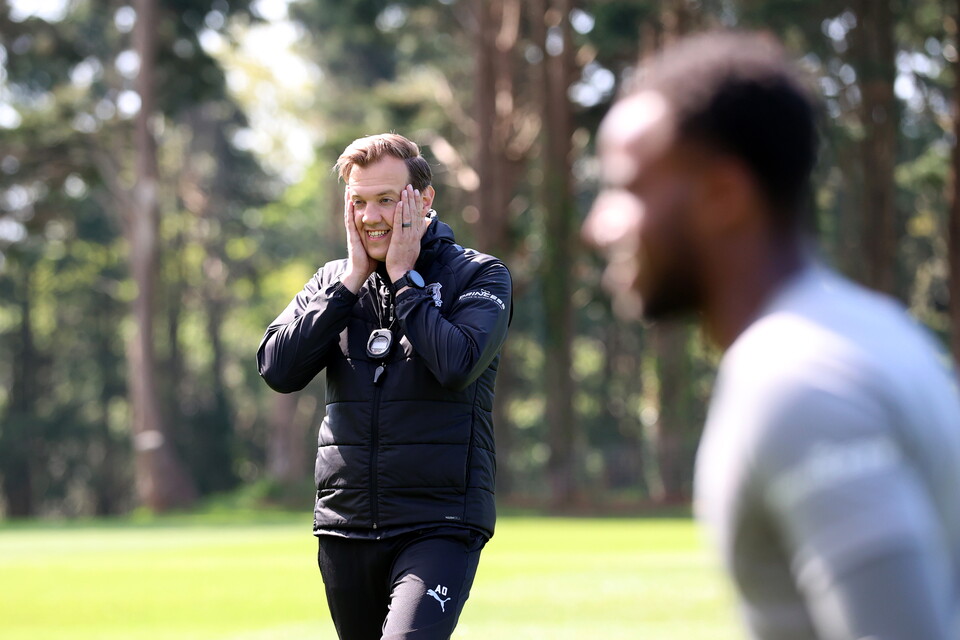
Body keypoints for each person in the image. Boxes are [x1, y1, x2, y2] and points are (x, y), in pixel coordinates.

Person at [583, 31, 960, 639]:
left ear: (724, 196)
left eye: (626, 188)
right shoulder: (869, 331)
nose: (597, 227)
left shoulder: (798, 383)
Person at [257, 133, 512, 640]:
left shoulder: (479, 275)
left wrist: (402, 279)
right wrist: (350, 282)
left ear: (424, 200)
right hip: (345, 525)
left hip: (439, 522)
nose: (371, 216)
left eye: (387, 200)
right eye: (358, 202)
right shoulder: (333, 280)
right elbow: (277, 368)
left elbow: (457, 364)